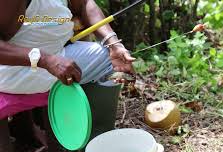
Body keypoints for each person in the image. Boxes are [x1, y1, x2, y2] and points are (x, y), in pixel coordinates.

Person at [0, 0, 135, 94]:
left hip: (53, 55)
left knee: (115, 61)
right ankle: (82, 128)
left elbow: (84, 4)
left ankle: (86, 126)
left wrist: (113, 43)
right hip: (16, 69)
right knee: (107, 63)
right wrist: (45, 60)